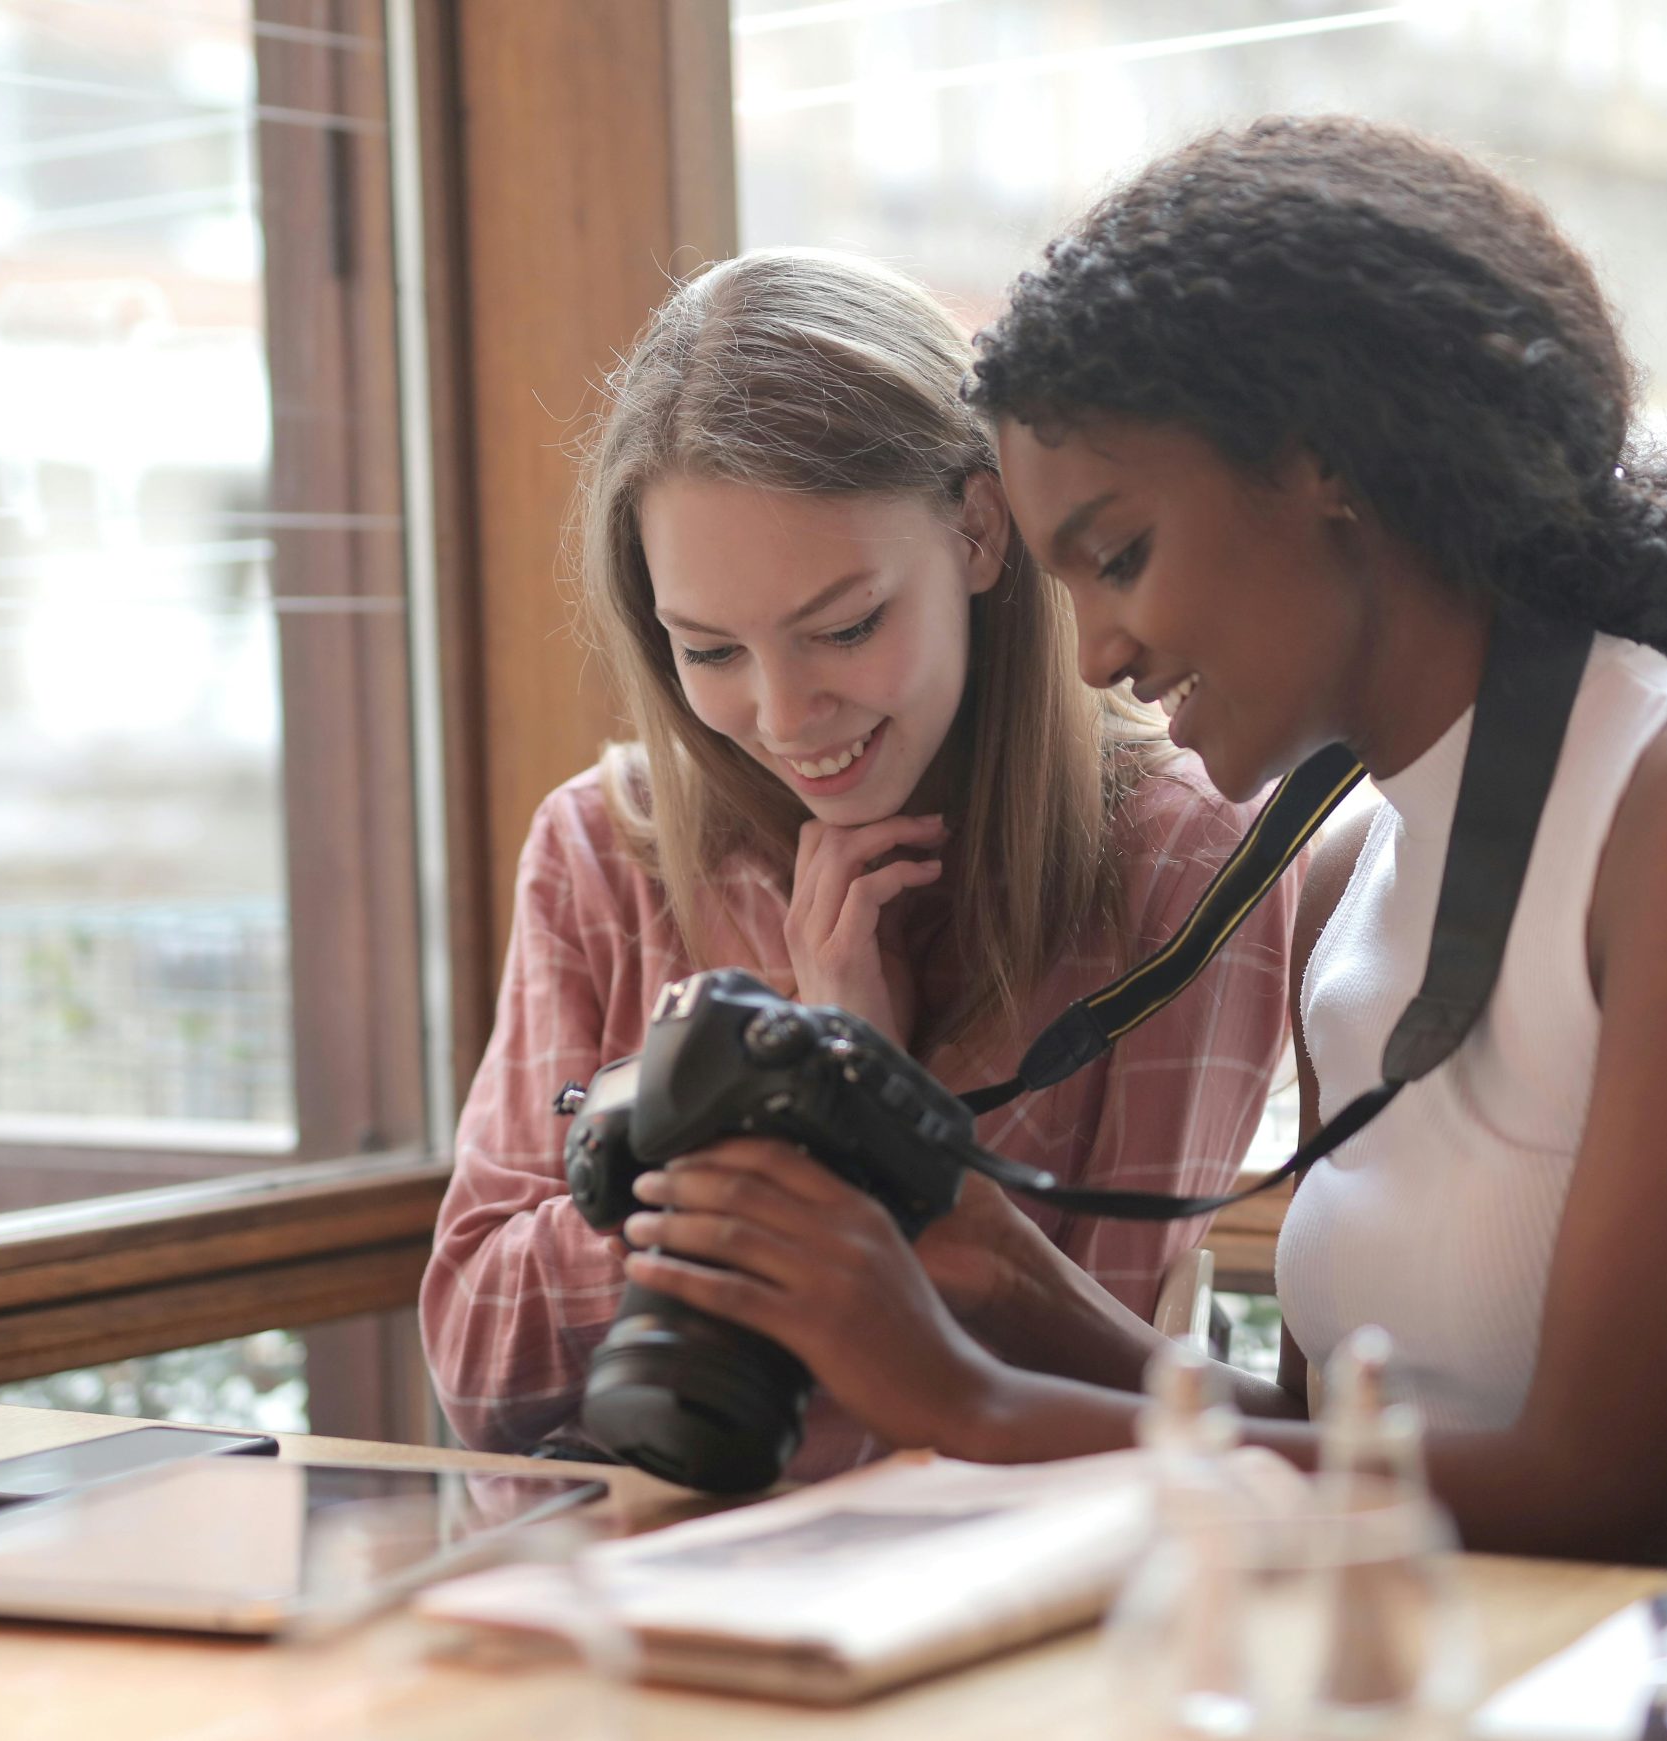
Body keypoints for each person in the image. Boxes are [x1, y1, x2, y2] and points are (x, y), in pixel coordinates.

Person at [612, 120, 1667, 1570]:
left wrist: (968, 1399)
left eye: (1119, 557)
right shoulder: (1348, 882)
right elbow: (1339, 1454)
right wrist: (1000, 1275)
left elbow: (1605, 1502)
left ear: (1330, 467)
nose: (1097, 655)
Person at [420, 249, 1297, 1481]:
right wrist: (754, 1125)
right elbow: (476, 1370)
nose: (785, 716)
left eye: (843, 628)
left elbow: (1079, 1378)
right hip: (621, 1582)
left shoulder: (1180, 862)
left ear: (980, 531)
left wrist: (874, 1110)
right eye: (710, 649)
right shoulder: (608, 847)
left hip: (986, 1597)